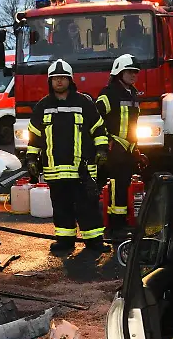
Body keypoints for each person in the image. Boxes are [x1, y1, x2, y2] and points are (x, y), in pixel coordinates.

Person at [25, 59, 110, 254]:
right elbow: (34, 137)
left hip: (82, 169)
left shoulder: (84, 103)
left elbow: (99, 130)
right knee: (61, 207)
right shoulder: (42, 107)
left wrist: (102, 150)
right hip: (55, 170)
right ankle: (65, 241)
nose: (59, 81)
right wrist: (30, 159)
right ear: (50, 81)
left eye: (63, 78)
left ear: (70, 80)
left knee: (87, 206)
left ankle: (95, 242)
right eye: (56, 78)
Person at [96, 53, 147, 240]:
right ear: (119, 72)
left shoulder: (133, 94)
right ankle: (116, 227)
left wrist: (137, 150)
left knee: (123, 185)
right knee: (117, 185)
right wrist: (107, 142)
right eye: (129, 72)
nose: (133, 75)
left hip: (127, 149)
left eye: (135, 72)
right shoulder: (108, 94)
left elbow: (132, 125)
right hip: (113, 149)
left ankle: (120, 222)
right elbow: (96, 121)